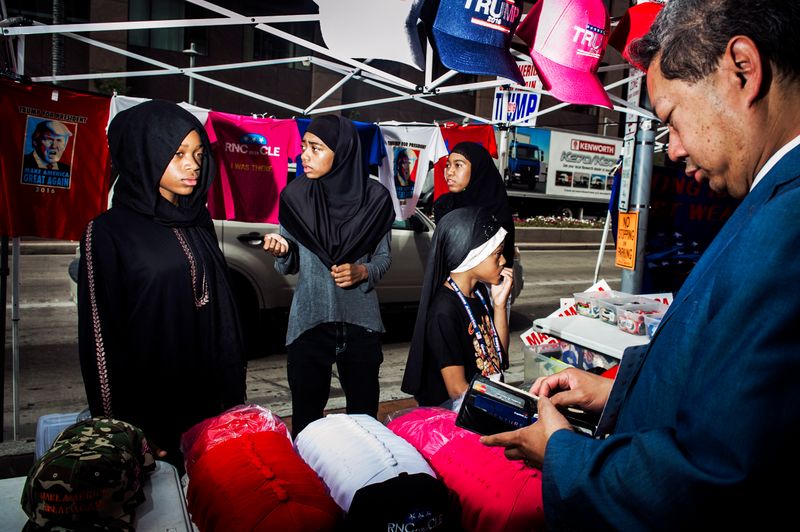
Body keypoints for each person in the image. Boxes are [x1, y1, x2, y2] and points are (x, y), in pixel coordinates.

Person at [482, 0, 800, 528]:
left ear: (742, 70)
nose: (671, 150)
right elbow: (723, 386)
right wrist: (617, 393)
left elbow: (716, 477)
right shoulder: (770, 201)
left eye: (671, 118)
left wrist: (562, 453)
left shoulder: (786, 226)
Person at [78, 100, 247, 472]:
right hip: (153, 415)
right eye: (178, 153)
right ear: (144, 154)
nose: (193, 165)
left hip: (212, 403)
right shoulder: (107, 233)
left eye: (199, 153)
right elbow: (101, 344)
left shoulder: (197, 219)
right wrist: (122, 432)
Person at [263, 114, 395, 438]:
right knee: (307, 425)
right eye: (304, 147)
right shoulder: (295, 198)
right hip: (309, 323)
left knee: (365, 423)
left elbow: (383, 258)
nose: (304, 155)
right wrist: (283, 252)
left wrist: (363, 270)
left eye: (316, 148)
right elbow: (289, 265)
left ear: (343, 152)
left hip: (361, 325)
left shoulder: (375, 200)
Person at [401, 206, 513, 408]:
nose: (503, 260)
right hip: (453, 412)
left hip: (482, 399)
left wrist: (499, 305)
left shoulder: (478, 293)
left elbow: (500, 358)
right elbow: (457, 389)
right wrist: (503, 406)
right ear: (472, 256)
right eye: (497, 254)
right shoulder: (444, 312)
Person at [433, 142, 515, 266]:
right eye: (448, 165)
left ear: (478, 168)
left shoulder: (496, 210)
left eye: (458, 165)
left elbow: (503, 261)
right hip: (449, 282)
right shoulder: (443, 205)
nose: (450, 172)